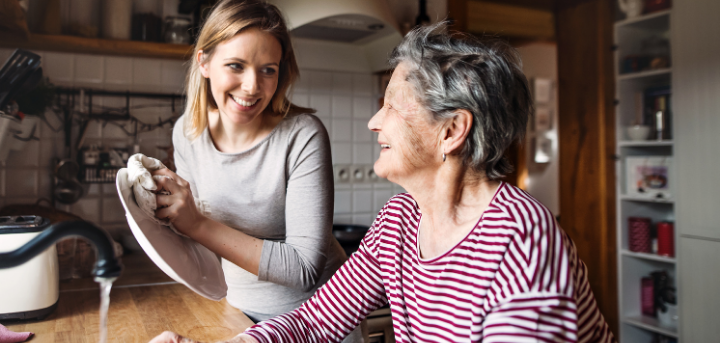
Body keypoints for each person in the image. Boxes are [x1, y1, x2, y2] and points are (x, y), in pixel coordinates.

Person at [151, 22, 616, 343]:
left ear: (451, 131)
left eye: (392, 105)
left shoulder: (522, 239)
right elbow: (316, 320)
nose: (374, 122)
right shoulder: (400, 220)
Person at [149, 0, 361, 341]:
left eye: (268, 69)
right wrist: (163, 211)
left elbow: (305, 269)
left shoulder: (303, 135)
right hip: (239, 314)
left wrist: (196, 223)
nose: (252, 86)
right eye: (236, 65)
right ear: (204, 62)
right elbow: (199, 240)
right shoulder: (188, 133)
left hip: (319, 321)